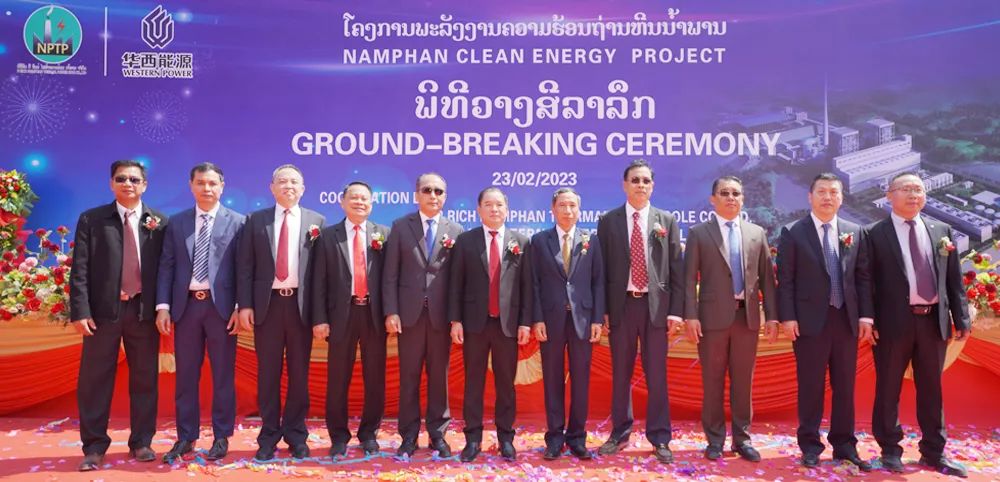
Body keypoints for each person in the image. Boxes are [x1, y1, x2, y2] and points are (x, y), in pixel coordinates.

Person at [860, 172, 971, 477]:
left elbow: (953, 279)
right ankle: (890, 450)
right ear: (889, 195)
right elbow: (865, 280)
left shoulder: (940, 230)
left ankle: (934, 452)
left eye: (918, 190)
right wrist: (868, 318)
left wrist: (961, 317)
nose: (913, 195)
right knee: (888, 388)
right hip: (892, 323)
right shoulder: (873, 233)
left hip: (933, 322)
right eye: (906, 189)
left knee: (932, 389)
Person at [70, 160, 167, 471]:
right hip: (103, 313)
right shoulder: (92, 219)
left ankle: (141, 442)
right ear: (111, 183)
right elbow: (80, 268)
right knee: (95, 380)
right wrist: (80, 310)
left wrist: (163, 307)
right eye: (121, 178)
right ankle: (94, 446)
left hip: (143, 312)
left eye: (135, 179)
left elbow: (166, 270)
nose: (128, 184)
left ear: (145, 185)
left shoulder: (158, 222)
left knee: (145, 379)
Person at [775, 173, 871, 471]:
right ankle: (810, 445)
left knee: (845, 386)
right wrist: (788, 316)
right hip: (808, 322)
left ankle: (844, 445)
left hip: (845, 320)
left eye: (833, 192)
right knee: (811, 386)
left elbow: (863, 278)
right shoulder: (793, 232)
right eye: (821, 192)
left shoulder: (855, 231)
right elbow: (785, 280)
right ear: (810, 196)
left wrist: (865, 316)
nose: (827, 197)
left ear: (841, 197)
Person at [682, 175, 777, 463]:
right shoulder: (699, 233)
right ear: (713, 199)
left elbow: (767, 280)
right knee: (712, 382)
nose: (731, 198)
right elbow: (688, 279)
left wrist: (772, 317)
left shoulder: (756, 233)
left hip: (746, 319)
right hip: (711, 321)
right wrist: (690, 316)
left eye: (736, 193)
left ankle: (742, 439)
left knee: (742, 383)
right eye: (724, 193)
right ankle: (714, 440)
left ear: (743, 199)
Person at [596, 159, 684, 464]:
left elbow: (677, 269)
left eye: (646, 180)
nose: (641, 185)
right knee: (621, 373)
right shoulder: (608, 221)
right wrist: (603, 310)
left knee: (656, 374)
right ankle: (620, 433)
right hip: (621, 307)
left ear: (653, 186)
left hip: (655, 308)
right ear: (625, 185)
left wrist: (675, 312)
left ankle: (660, 437)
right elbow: (601, 270)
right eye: (635, 180)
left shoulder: (666, 220)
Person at [155, 163, 245, 463]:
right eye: (201, 183)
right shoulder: (177, 222)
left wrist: (238, 306)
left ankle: (221, 436)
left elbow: (243, 269)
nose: (207, 188)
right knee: (186, 376)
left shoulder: (238, 222)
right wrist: (163, 306)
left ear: (222, 186)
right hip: (186, 308)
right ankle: (186, 437)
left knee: (223, 376)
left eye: (212, 183)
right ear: (191, 186)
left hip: (222, 311)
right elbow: (167, 265)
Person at [237, 164, 325, 461]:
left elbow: (321, 275)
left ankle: (297, 435)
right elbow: (245, 266)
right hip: (268, 307)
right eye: (283, 181)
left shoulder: (316, 221)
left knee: (299, 374)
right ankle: (268, 436)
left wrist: (319, 315)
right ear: (272, 188)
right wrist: (244, 305)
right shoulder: (256, 220)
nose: (289, 186)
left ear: (303, 189)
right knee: (268, 374)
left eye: (294, 182)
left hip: (301, 308)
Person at [382, 173, 464, 458]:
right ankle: (408, 435)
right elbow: (390, 274)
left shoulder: (456, 230)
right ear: (416, 195)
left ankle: (438, 434)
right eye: (427, 190)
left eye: (439, 191)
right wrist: (391, 310)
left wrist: (456, 317)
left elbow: (458, 280)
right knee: (409, 377)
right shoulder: (400, 226)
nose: (433, 195)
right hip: (409, 316)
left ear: (445, 196)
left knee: (439, 378)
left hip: (441, 317)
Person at [448, 187, 533, 462]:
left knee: (506, 385)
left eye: (499, 205)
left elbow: (527, 287)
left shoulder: (521, 241)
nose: (494, 209)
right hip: (474, 325)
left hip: (507, 326)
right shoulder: (466, 241)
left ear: (507, 209)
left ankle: (506, 438)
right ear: (479, 209)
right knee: (474, 383)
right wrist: (456, 320)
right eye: (488, 204)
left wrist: (525, 323)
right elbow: (456, 284)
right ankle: (473, 439)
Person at [311, 182, 390, 458]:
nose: (359, 202)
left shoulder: (384, 234)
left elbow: (391, 280)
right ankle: (338, 436)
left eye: (364, 198)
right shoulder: (327, 236)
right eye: (353, 198)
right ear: (342, 202)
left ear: (372, 204)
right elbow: (318, 281)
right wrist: (320, 318)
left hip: (373, 316)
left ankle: (369, 434)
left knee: (375, 379)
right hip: (340, 317)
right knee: (337, 379)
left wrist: (391, 313)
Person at [530, 187, 605, 461]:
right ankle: (554, 438)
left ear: (579, 210)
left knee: (581, 380)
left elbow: (598, 282)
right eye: (562, 205)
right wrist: (537, 318)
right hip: (550, 321)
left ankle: (577, 437)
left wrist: (597, 318)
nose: (568, 210)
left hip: (582, 320)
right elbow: (534, 284)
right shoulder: (540, 241)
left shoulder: (591, 240)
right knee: (552, 380)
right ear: (553, 209)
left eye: (573, 205)